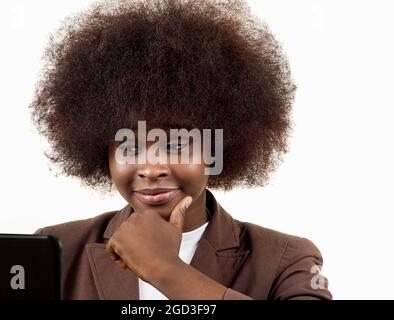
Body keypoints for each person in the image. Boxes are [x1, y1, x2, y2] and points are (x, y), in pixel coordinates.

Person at [31, 0, 332, 300]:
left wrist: (166, 270)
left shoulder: (287, 259)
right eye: (130, 147)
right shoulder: (57, 249)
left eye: (176, 145)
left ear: (215, 149)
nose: (151, 168)